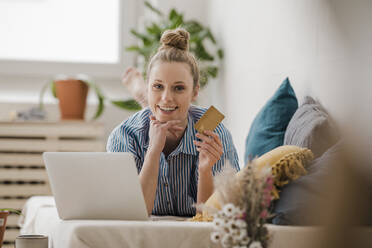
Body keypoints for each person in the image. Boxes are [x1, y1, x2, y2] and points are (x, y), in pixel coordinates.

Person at [107, 28, 240, 217]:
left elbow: (211, 220)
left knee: (162, 107)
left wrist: (205, 170)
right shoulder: (124, 136)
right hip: (149, 121)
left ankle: (145, 98)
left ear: (195, 92)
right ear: (149, 85)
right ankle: (145, 97)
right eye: (158, 86)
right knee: (162, 108)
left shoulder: (215, 133)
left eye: (179, 88)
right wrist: (153, 151)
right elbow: (133, 215)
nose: (167, 97)